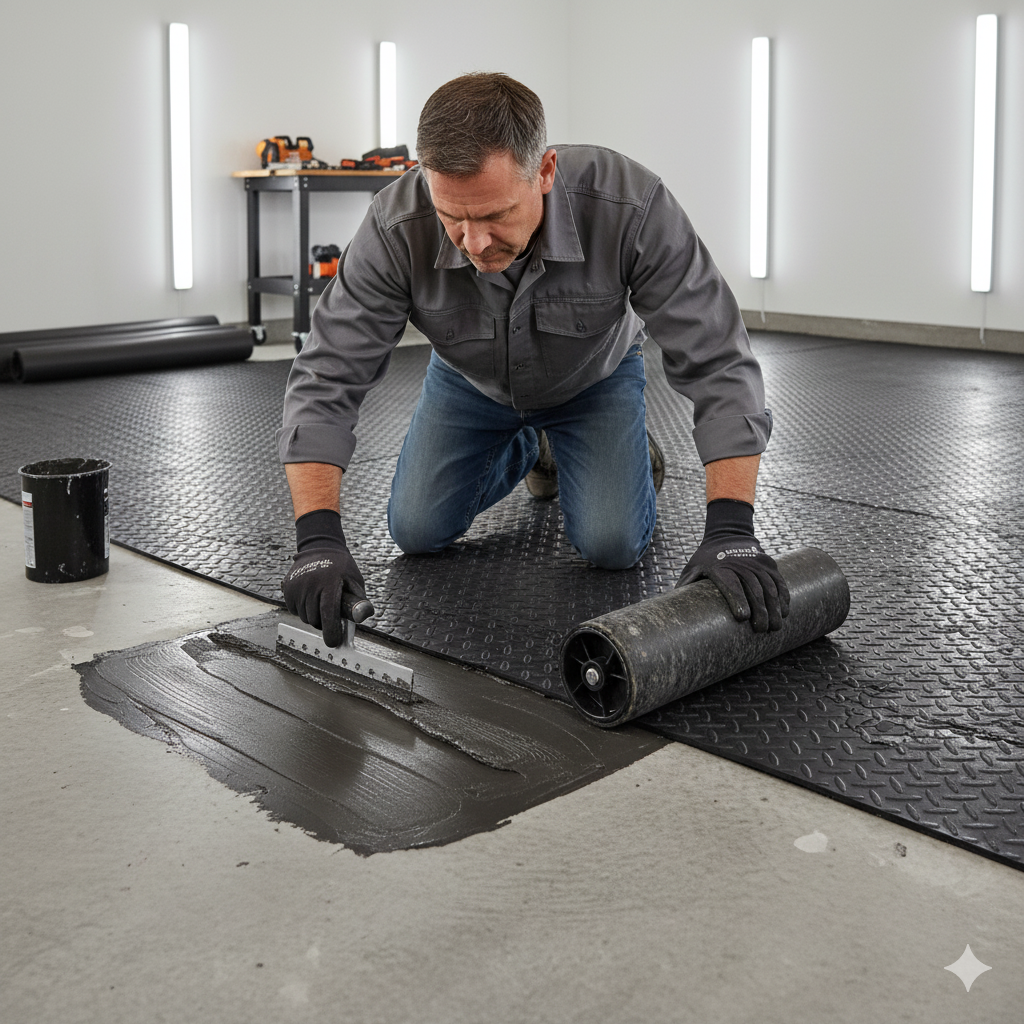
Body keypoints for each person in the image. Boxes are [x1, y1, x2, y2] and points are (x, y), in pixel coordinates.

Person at [278, 72, 789, 648]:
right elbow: (326, 375)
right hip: (471, 384)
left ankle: (628, 455)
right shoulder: (395, 226)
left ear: (544, 172)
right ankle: (534, 448)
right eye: (453, 218)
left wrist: (732, 529)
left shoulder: (629, 205)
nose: (472, 242)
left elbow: (719, 359)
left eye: (494, 214)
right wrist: (316, 539)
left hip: (594, 378)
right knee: (416, 530)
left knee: (611, 545)